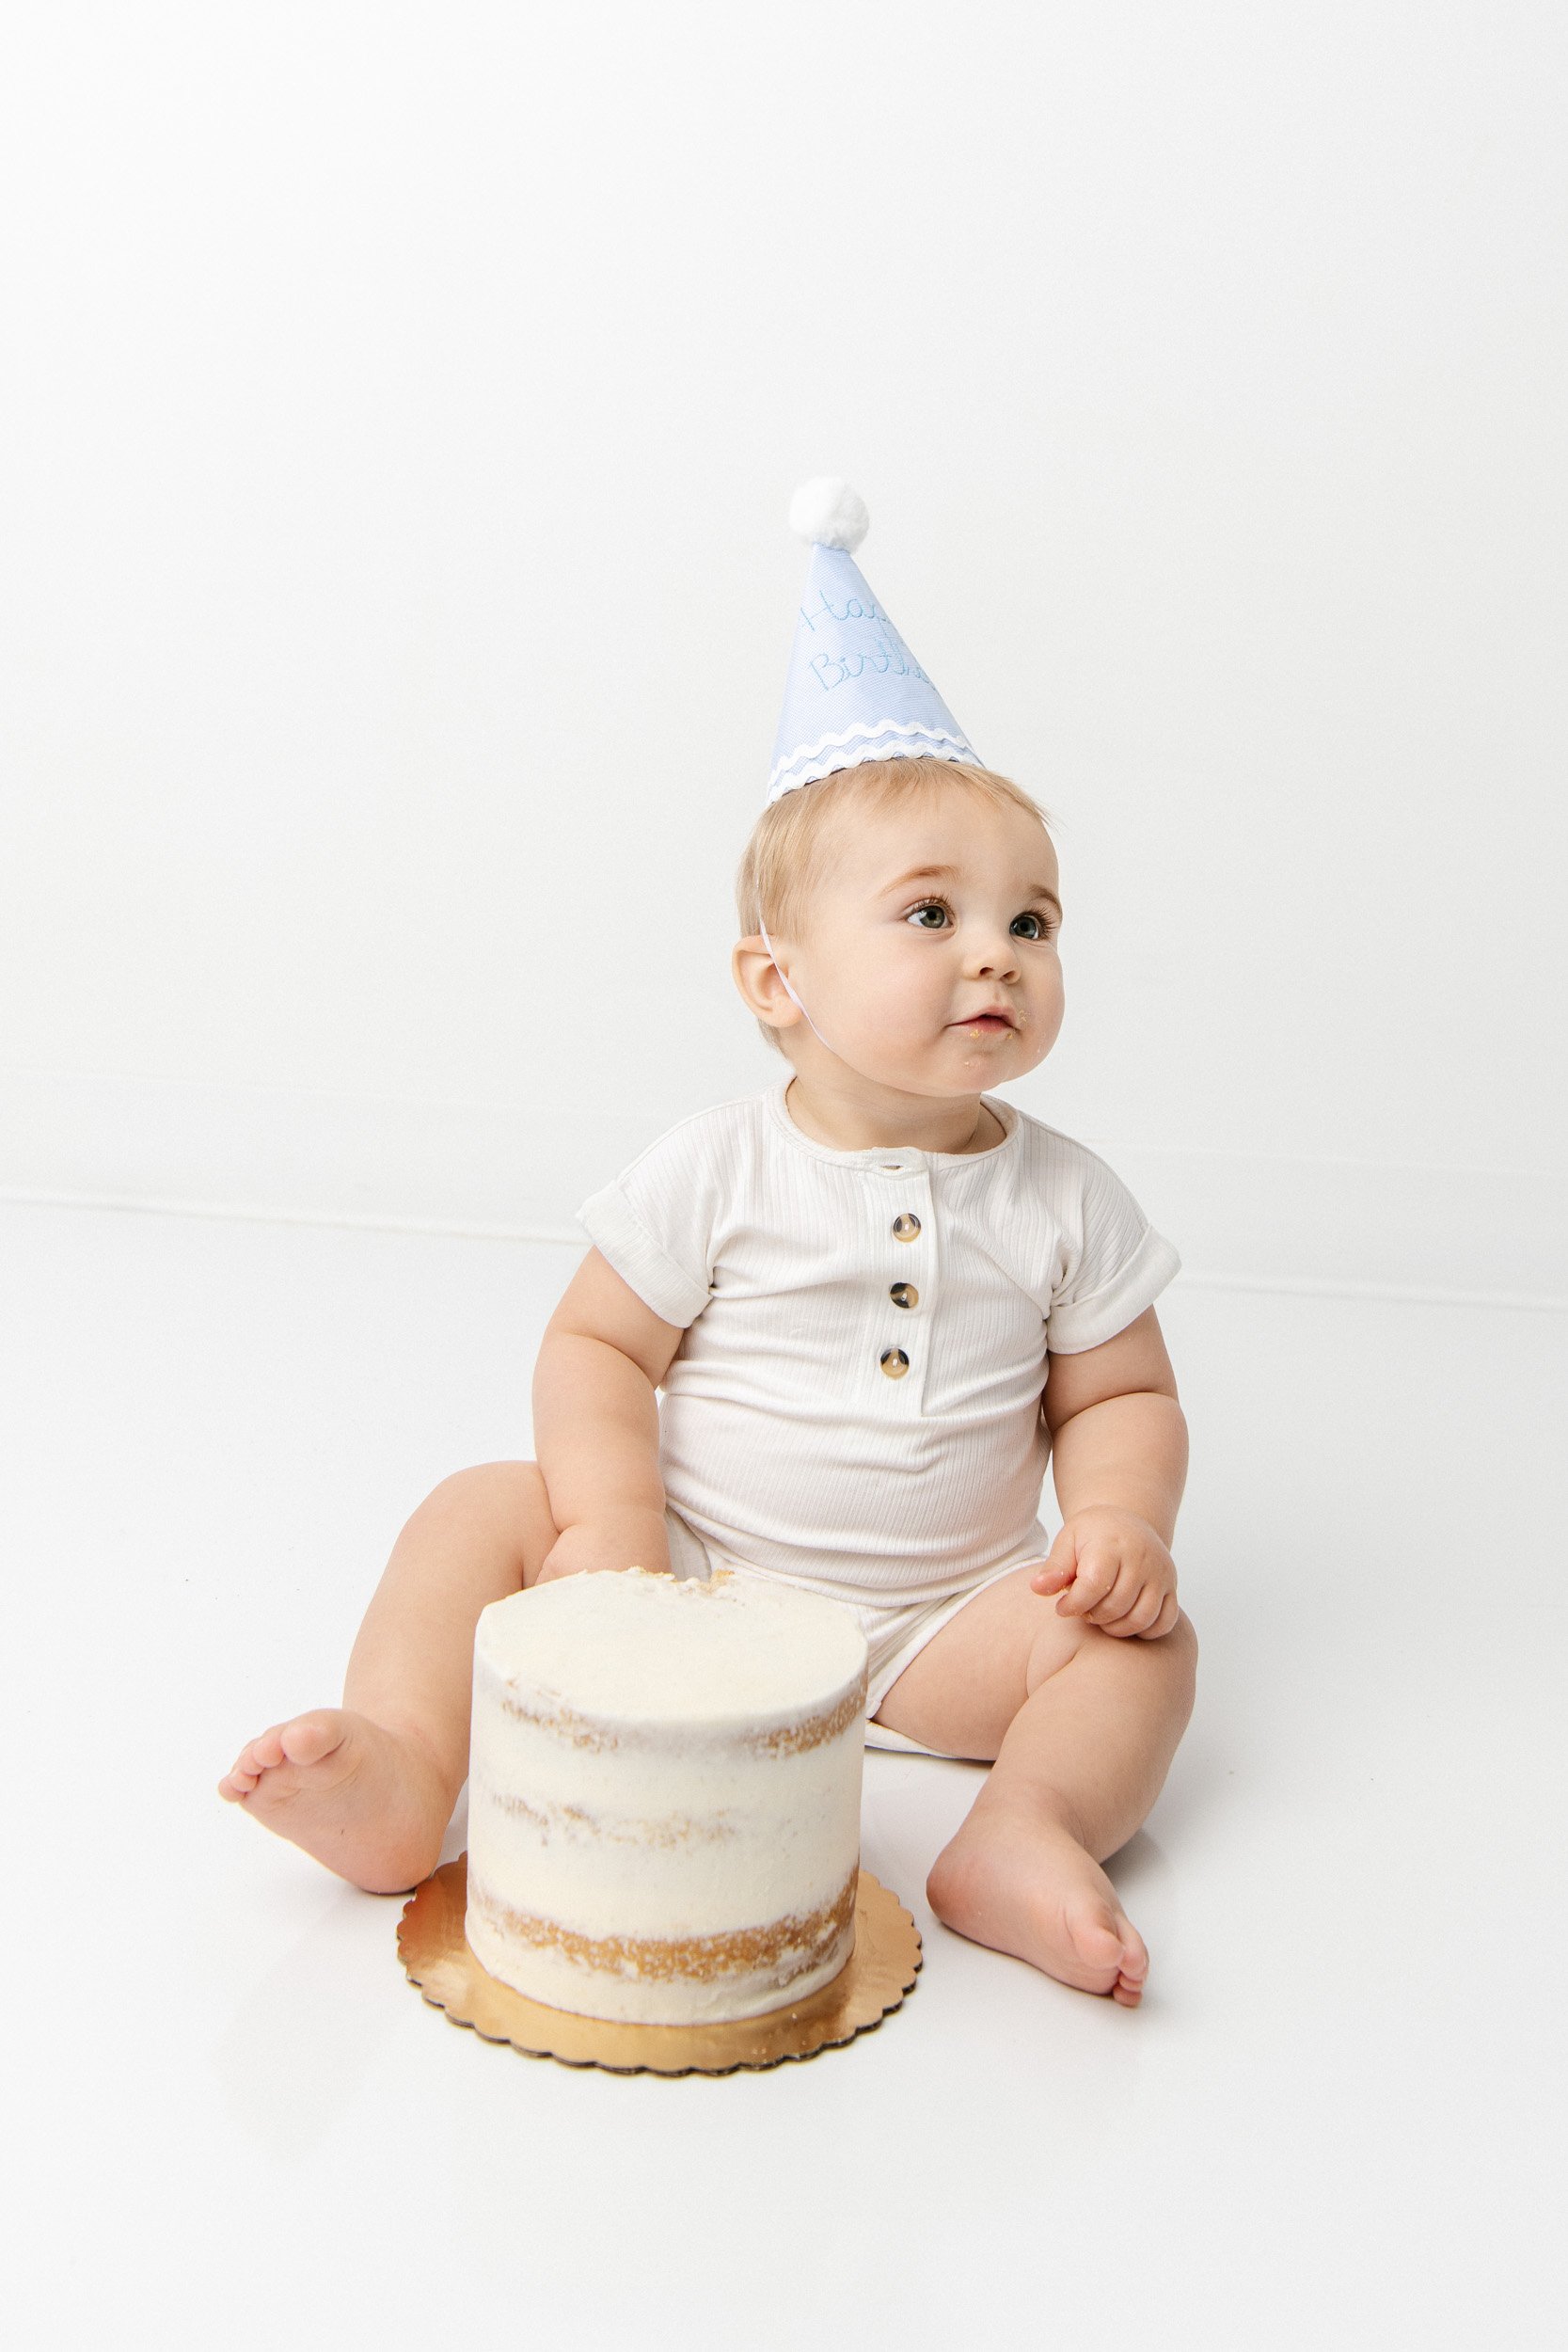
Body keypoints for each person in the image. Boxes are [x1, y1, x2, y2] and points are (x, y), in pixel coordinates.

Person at [219, 485, 1197, 2009]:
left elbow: (1121, 1399)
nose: (998, 951)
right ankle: (407, 1770)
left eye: (1035, 920)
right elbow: (599, 1347)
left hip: (941, 1630)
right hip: (694, 1576)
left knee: (1146, 1650)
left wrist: (1120, 1528)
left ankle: (1023, 1830)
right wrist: (613, 1531)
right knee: (479, 1506)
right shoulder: (718, 1168)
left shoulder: (1066, 1197)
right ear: (777, 979)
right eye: (930, 913)